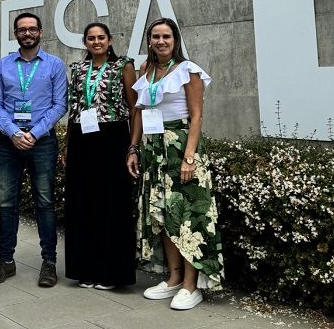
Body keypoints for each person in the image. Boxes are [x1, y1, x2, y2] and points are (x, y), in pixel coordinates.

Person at [126, 17, 222, 310]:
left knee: (187, 217)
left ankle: (192, 286)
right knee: (163, 214)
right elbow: (140, 112)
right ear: (149, 41)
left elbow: (197, 116)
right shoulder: (146, 69)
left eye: (166, 36)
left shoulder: (188, 70)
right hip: (153, 151)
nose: (161, 41)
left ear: (175, 40)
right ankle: (174, 278)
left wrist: (189, 157)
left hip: (180, 148)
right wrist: (133, 148)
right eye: (155, 36)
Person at [0, 12, 67, 287]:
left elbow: (60, 104)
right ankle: (5, 261)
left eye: (32, 29)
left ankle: (49, 263)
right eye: (22, 29)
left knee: (45, 202)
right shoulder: (2, 65)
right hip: (8, 143)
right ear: (16, 34)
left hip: (41, 142)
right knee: (7, 203)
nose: (27, 33)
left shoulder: (54, 65)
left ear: (41, 32)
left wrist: (33, 133)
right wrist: (13, 133)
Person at [64, 23, 137, 289]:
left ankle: (112, 272)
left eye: (101, 37)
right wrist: (67, 145)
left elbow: (134, 107)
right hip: (82, 138)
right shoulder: (78, 68)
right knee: (83, 203)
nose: (96, 42)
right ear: (85, 42)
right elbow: (74, 108)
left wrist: (133, 146)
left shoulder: (123, 66)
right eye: (91, 38)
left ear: (110, 40)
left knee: (112, 204)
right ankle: (86, 269)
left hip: (113, 138)